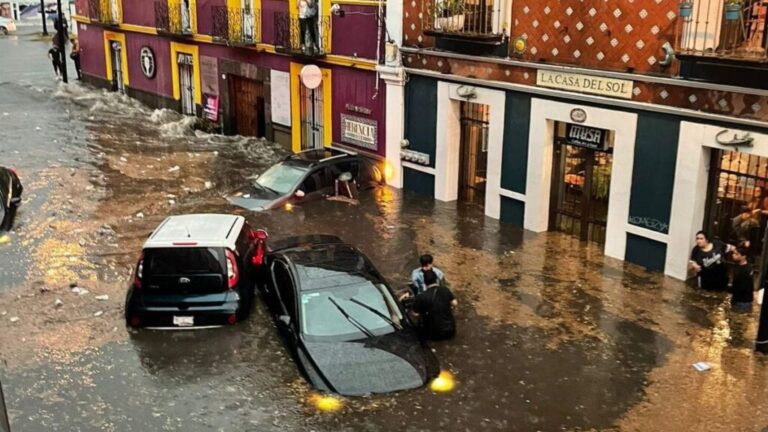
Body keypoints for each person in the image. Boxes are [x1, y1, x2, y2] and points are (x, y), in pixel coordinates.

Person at [412, 270, 457, 341]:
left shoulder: (421, 297)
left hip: (433, 334)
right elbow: (455, 303)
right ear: (436, 279)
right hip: (450, 331)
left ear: (425, 282)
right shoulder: (445, 290)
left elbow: (415, 314)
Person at [730, 247, 756, 312]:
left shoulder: (745, 270)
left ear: (743, 256)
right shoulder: (742, 264)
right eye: (733, 253)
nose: (733, 255)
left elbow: (741, 287)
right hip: (741, 299)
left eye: (736, 254)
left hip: (742, 301)